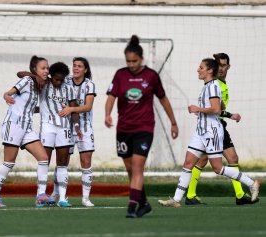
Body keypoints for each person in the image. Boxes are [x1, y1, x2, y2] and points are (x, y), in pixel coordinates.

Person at [158, 58, 260, 208]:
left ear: (210, 70)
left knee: (218, 168)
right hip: (200, 131)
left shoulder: (212, 86)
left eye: (201, 68)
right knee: (188, 163)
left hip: (212, 131)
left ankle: (251, 184)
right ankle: (176, 199)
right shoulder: (208, 86)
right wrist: (229, 113)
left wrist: (197, 109)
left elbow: (216, 110)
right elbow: (221, 105)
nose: (198, 70)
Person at [105, 35, 179, 218]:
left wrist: (173, 122)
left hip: (144, 129)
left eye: (134, 61)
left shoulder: (151, 76)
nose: (131, 64)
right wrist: (107, 114)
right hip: (123, 129)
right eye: (128, 61)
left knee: (138, 168)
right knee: (130, 169)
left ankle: (132, 208)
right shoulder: (120, 74)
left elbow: (163, 100)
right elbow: (111, 97)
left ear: (141, 58)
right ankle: (144, 203)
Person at [185, 53, 258, 205]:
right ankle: (241, 192)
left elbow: (216, 107)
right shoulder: (215, 84)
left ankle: (191, 195)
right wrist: (231, 115)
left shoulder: (221, 85)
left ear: (228, 67)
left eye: (224, 65)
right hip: (214, 127)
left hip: (214, 125)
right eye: (219, 65)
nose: (221, 68)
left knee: (207, 159)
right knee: (228, 159)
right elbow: (216, 109)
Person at [0, 55, 55, 208]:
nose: (46, 71)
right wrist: (6, 96)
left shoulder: (39, 86)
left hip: (26, 127)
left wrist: (45, 110)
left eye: (47, 68)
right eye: (43, 68)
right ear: (34, 69)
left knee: (43, 157)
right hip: (14, 125)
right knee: (9, 162)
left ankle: (40, 195)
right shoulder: (27, 81)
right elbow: (9, 92)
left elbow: (30, 108)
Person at [51, 57, 97, 207]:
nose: (76, 68)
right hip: (65, 127)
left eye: (79, 66)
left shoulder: (90, 85)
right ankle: (56, 193)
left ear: (85, 69)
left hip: (84, 128)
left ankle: (85, 198)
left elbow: (87, 107)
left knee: (86, 162)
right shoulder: (66, 81)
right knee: (62, 161)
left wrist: (71, 109)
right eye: (74, 66)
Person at [39, 62, 82, 207]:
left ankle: (62, 198)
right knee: (44, 161)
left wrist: (76, 126)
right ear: (51, 76)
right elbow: (22, 74)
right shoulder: (43, 84)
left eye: (61, 79)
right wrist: (39, 74)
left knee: (62, 164)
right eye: (56, 79)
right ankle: (41, 195)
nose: (58, 82)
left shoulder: (68, 88)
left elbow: (74, 109)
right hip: (47, 127)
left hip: (64, 128)